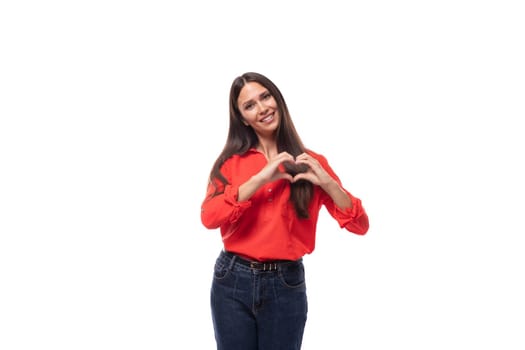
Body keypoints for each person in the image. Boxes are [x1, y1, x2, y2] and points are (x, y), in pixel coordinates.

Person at [200, 72, 369, 350]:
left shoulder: (311, 162)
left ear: (277, 98)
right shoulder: (230, 164)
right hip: (232, 281)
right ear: (243, 118)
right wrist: (260, 179)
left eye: (265, 96)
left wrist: (326, 182)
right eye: (250, 105)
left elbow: (360, 225)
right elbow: (209, 217)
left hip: (285, 284)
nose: (262, 107)